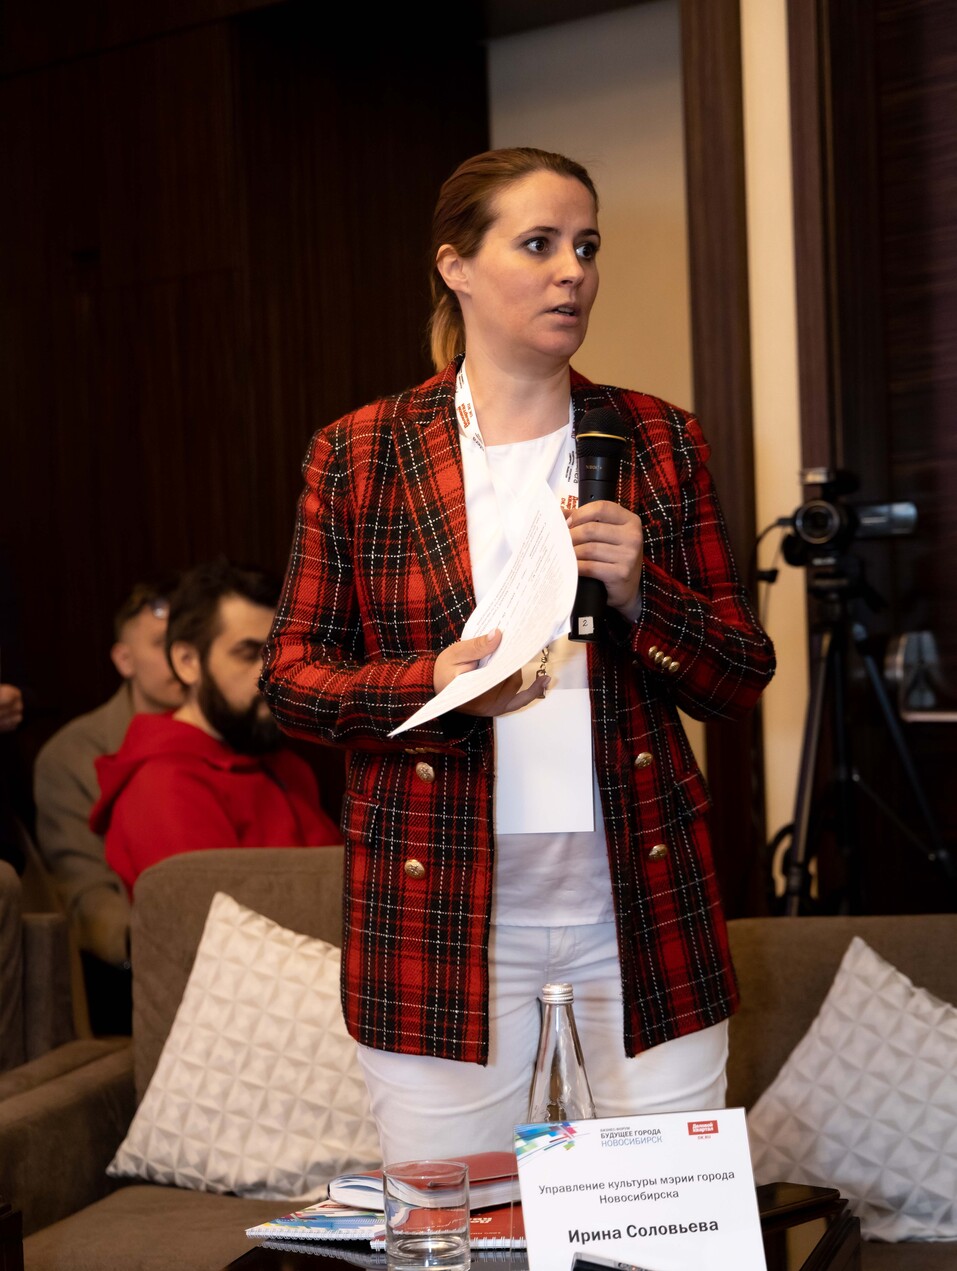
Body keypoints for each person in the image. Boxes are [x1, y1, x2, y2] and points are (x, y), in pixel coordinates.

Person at [259, 146, 776, 1161]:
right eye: (538, 244)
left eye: (585, 245)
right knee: (453, 1220)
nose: (571, 271)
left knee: (664, 1221)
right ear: (455, 266)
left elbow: (741, 675)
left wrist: (643, 595)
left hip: (639, 905)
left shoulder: (657, 437)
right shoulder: (360, 451)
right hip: (436, 912)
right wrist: (430, 684)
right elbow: (291, 679)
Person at [90, 557, 340, 895]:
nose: (274, 676)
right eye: (248, 654)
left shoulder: (282, 762)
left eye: (279, 656)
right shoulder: (163, 783)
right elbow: (216, 922)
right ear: (187, 662)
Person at [34, 580, 185, 971]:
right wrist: (155, 948)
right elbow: (84, 891)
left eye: (190, 642)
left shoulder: (234, 742)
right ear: (124, 660)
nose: (180, 658)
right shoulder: (74, 754)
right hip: (136, 964)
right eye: (162, 643)